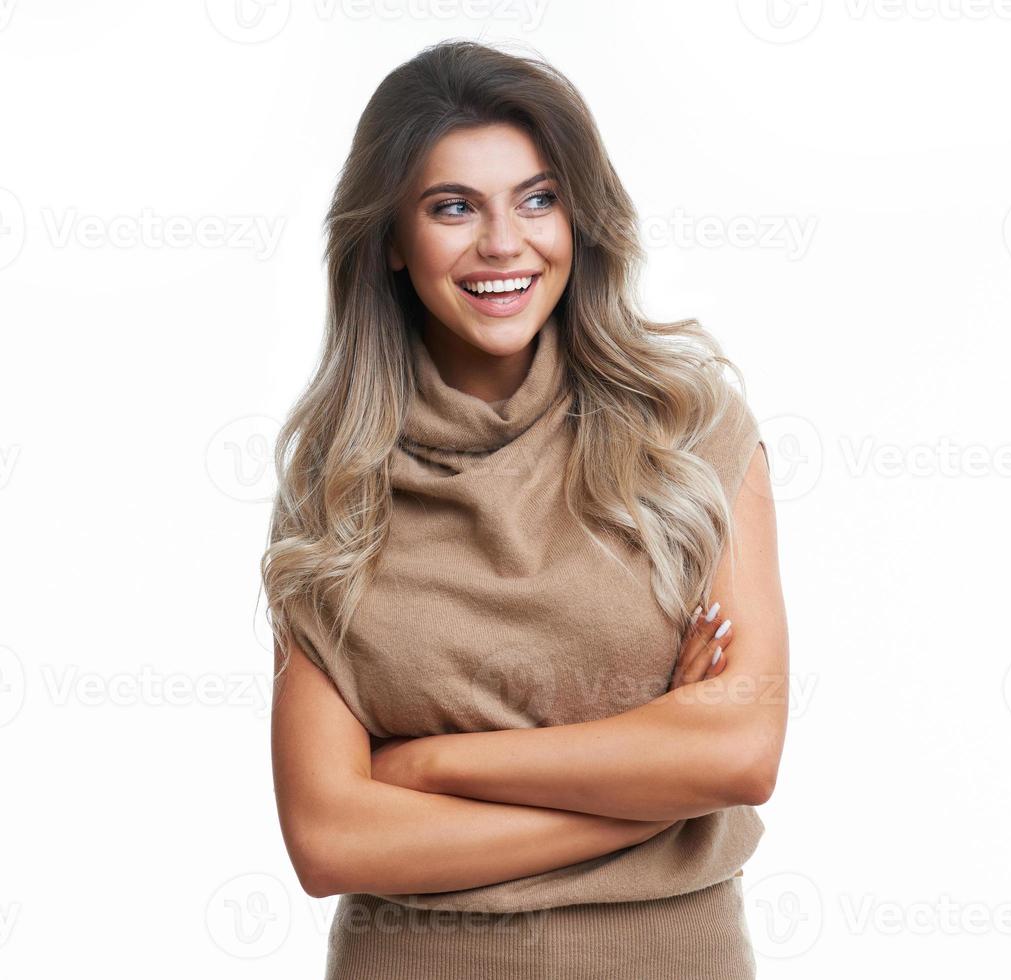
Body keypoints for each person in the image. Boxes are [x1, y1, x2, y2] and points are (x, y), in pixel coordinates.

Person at [265, 39, 789, 979]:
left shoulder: (689, 432)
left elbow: (740, 749)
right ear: (390, 238)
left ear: (580, 219)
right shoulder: (335, 483)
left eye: (537, 198)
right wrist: (650, 787)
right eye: (453, 207)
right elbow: (331, 836)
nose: (504, 243)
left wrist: (430, 767)